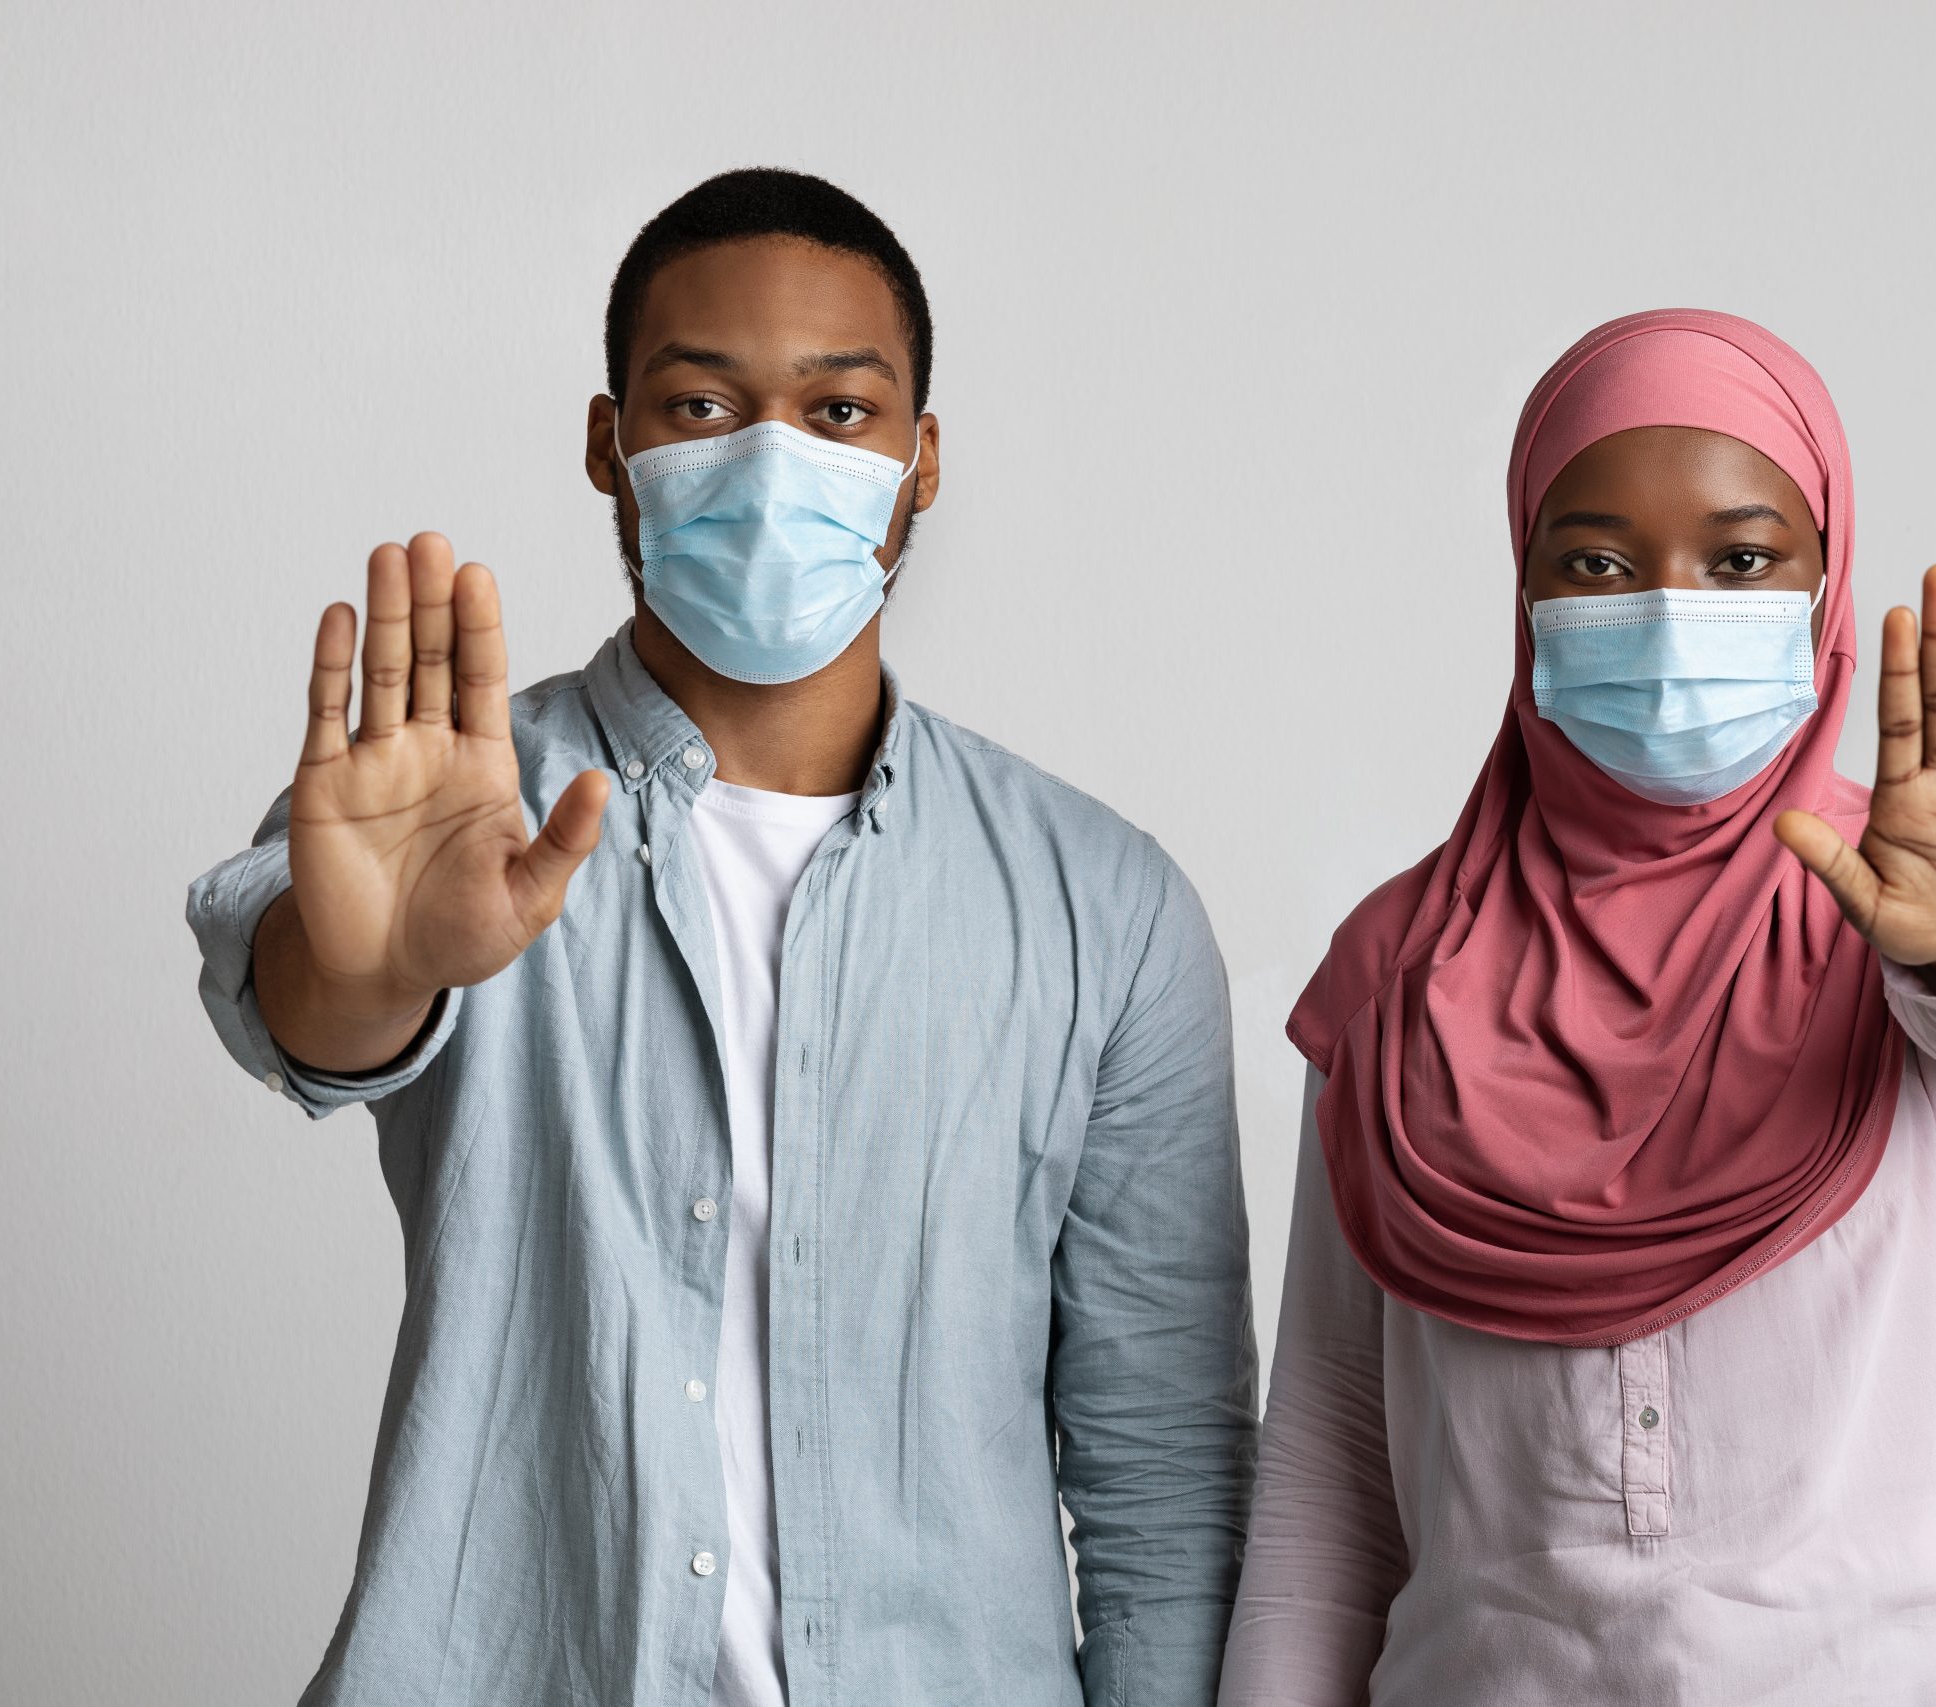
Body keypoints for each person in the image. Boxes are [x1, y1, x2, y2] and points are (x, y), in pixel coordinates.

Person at [185, 168, 1257, 1707]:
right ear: (607, 446)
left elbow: (1164, 1473)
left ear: (921, 462)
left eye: (837, 413)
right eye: (699, 406)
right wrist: (372, 972)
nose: (769, 457)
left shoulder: (1107, 906)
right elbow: (306, 1008)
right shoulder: (466, 806)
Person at [1216, 310, 1936, 1704]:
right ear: (1526, 594)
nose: (1673, 609)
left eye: (1743, 561)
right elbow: (1329, 1462)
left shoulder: (1903, 899)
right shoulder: (1396, 970)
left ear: (1823, 584)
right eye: (1600, 564)